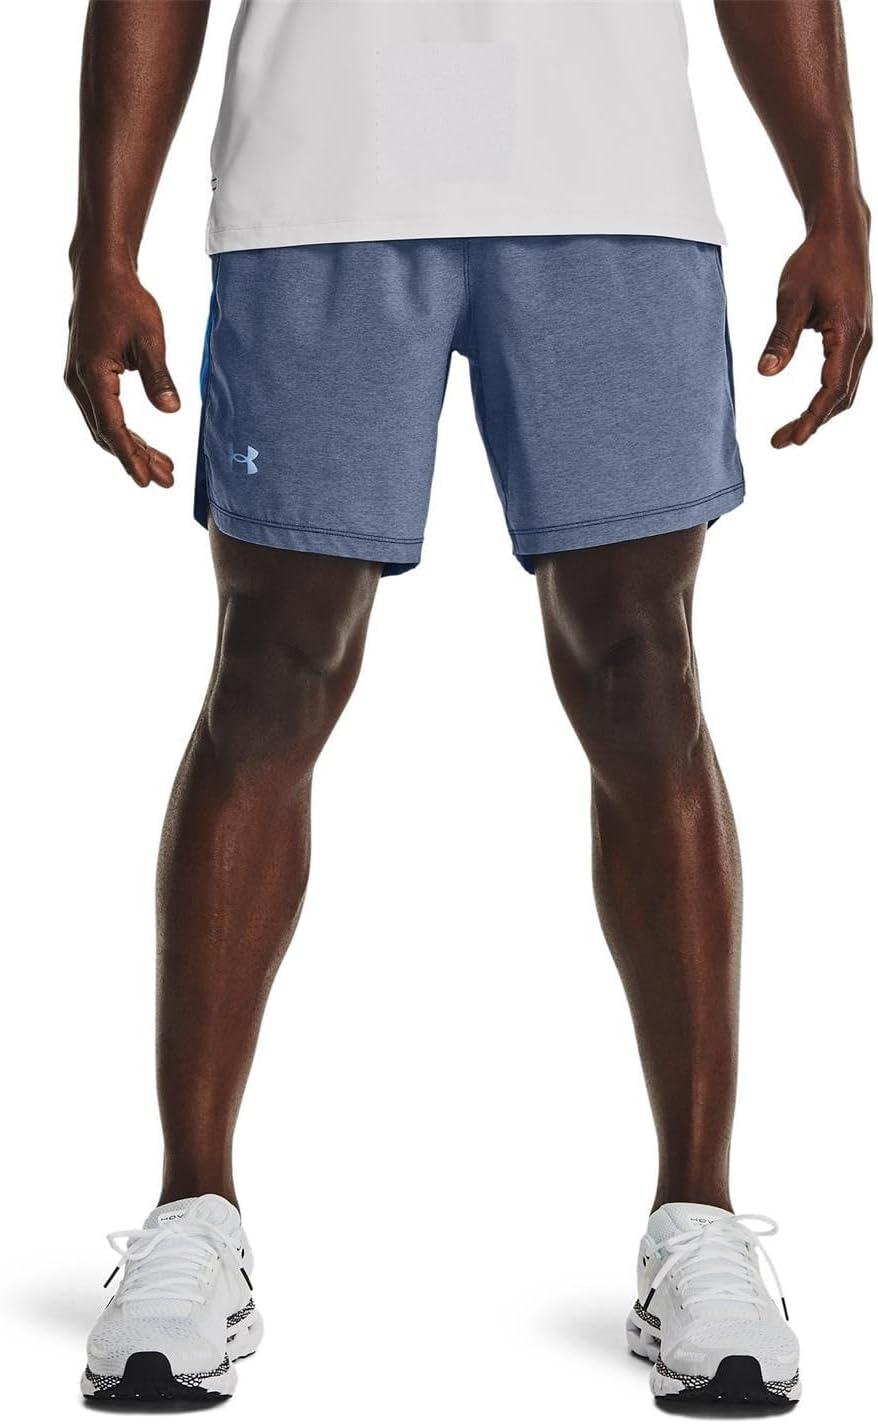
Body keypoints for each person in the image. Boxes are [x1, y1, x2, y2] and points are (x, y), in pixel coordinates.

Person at [67, 0, 871, 1408]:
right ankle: (194, 1212)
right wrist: (103, 246)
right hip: (319, 182)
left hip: (611, 184)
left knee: (643, 676)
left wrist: (834, 200)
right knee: (269, 674)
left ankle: (696, 1219)